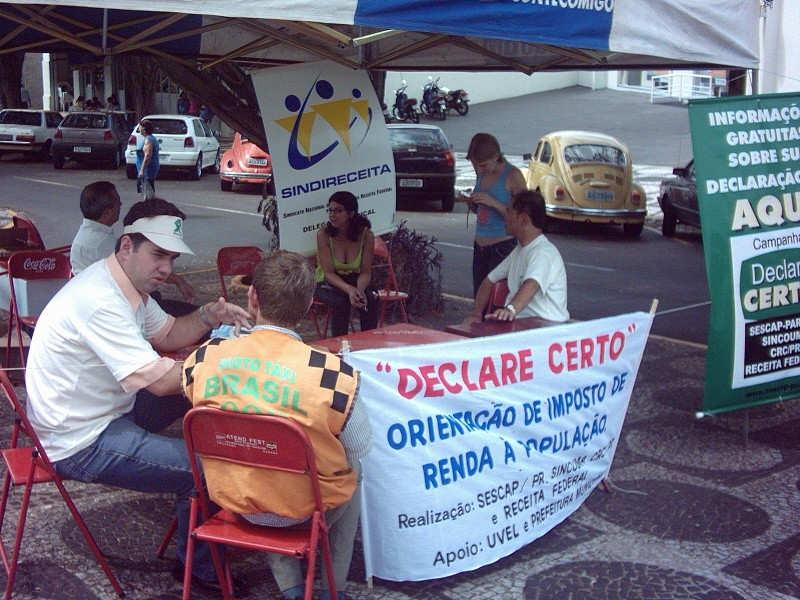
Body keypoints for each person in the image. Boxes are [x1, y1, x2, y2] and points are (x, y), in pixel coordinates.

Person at [25, 198, 252, 592]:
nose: (167, 268)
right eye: (158, 255)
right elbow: (161, 382)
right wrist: (230, 367)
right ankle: (201, 571)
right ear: (127, 246)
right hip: (79, 440)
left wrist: (210, 315)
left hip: (102, 412)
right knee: (207, 468)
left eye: (173, 259)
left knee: (194, 397)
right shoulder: (101, 301)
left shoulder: (124, 283)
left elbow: (168, 335)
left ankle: (209, 490)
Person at [182, 250, 371, 600]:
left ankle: (291, 588)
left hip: (234, 499)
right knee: (352, 468)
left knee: (256, 457)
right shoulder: (333, 374)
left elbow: (192, 402)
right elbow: (360, 446)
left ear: (253, 297)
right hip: (304, 510)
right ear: (310, 303)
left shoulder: (207, 356)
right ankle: (333, 590)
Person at [69, 182, 196, 311]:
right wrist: (178, 281)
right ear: (107, 212)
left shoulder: (90, 235)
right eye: (118, 202)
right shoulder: (101, 244)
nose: (121, 205)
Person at [463, 190, 569, 324]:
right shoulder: (520, 250)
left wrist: (510, 310)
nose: (504, 217)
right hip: (523, 325)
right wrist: (476, 314)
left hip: (546, 328)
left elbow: (532, 284)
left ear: (523, 219)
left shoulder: (543, 252)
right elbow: (489, 281)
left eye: (508, 211)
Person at [461, 133, 527, 296]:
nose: (479, 170)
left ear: (496, 156)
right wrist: (473, 204)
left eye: (483, 165)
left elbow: (523, 218)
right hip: (480, 245)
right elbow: (481, 211)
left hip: (502, 246)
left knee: (496, 300)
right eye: (476, 165)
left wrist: (493, 203)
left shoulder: (513, 176)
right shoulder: (481, 173)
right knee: (480, 297)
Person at [314, 190, 378, 337]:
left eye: (338, 211)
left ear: (351, 213)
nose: (332, 215)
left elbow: (366, 272)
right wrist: (349, 290)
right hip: (328, 281)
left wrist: (359, 291)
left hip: (356, 278)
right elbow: (328, 273)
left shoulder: (366, 235)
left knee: (371, 298)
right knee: (341, 302)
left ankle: (368, 344)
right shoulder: (323, 234)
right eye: (330, 210)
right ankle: (339, 346)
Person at [136, 120, 159, 200]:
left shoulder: (148, 139)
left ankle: (150, 208)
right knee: (147, 190)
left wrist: (142, 170)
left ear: (144, 128)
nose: (139, 128)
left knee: (148, 192)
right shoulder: (149, 138)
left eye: (140, 126)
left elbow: (147, 156)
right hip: (148, 169)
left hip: (148, 170)